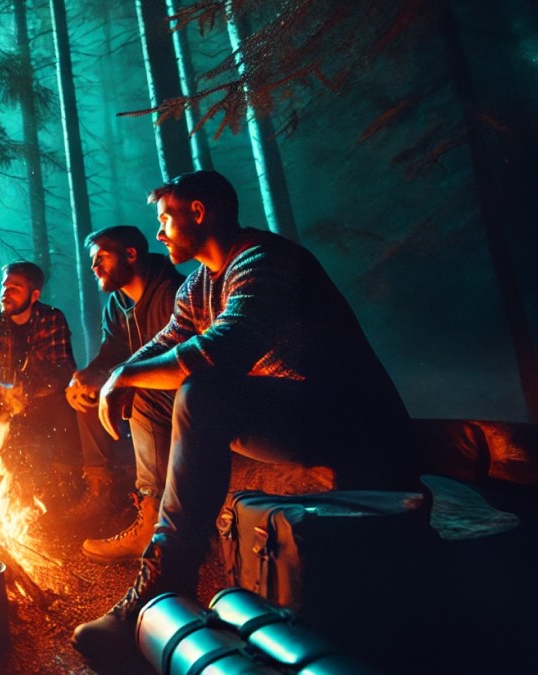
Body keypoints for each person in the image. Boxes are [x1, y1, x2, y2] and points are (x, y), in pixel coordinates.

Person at [71, 170, 417, 664]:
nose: (160, 234)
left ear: (199, 212)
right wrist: (124, 375)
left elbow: (223, 349)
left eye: (166, 218)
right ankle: (156, 525)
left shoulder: (266, 260)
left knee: (202, 390)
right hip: (294, 416)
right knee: (157, 388)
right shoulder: (197, 285)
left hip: (349, 420)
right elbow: (167, 343)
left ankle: (162, 582)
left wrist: (124, 375)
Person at [64, 226, 184, 562]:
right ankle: (101, 487)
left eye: (101, 257)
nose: (94, 267)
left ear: (130, 255)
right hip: (133, 383)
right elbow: (111, 353)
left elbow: (174, 359)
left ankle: (150, 515)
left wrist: (114, 378)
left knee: (138, 392)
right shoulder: (117, 303)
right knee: (85, 395)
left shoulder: (173, 292)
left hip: (183, 393)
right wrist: (87, 376)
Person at [0, 261, 79, 498]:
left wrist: (29, 391)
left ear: (34, 295)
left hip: (41, 399)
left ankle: (66, 483)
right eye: (5, 286)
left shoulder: (52, 319)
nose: (6, 291)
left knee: (67, 404)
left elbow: (64, 369)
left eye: (15, 287)